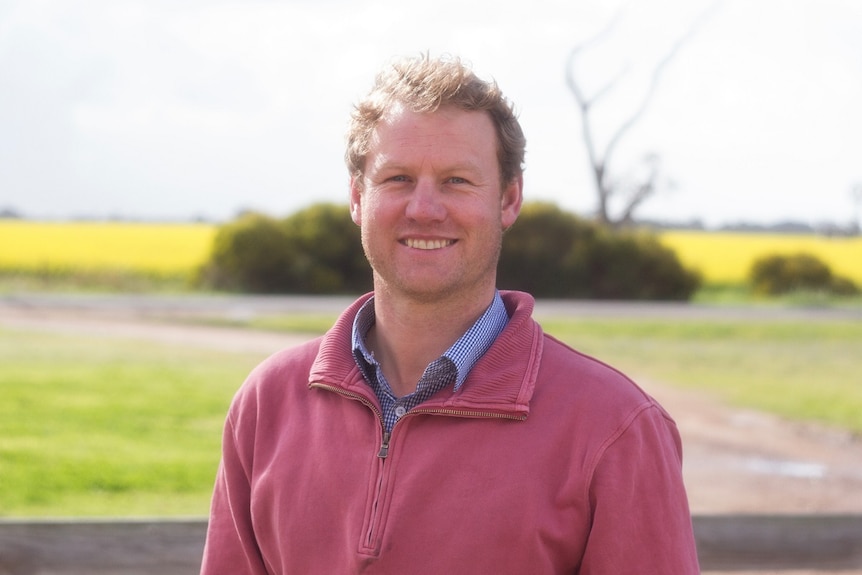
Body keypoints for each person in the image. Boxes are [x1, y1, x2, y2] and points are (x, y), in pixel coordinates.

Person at [200, 53, 700, 574]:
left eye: (457, 181)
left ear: (508, 200)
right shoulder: (267, 405)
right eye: (397, 178)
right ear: (356, 197)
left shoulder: (615, 428)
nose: (424, 208)